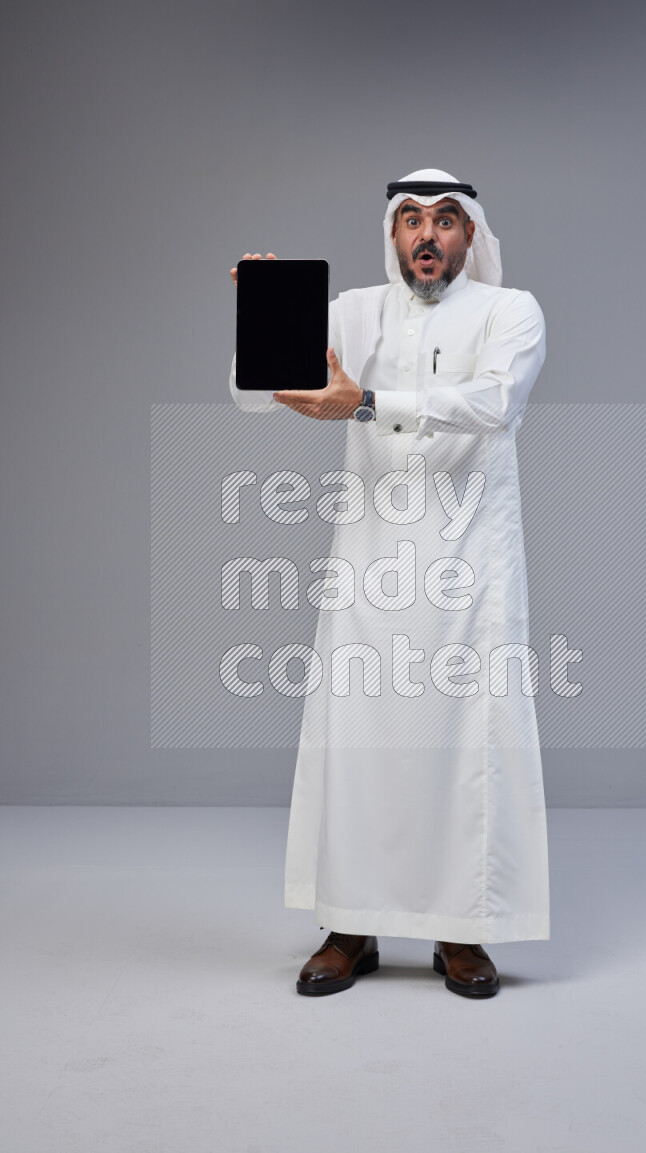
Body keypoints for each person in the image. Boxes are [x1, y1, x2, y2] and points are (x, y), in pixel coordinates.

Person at [228, 168, 549, 998]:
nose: (427, 235)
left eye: (446, 219)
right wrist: (263, 314)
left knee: (464, 745)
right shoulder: (356, 312)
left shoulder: (510, 311)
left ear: (470, 234)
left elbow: (493, 402)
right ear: (393, 235)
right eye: (411, 220)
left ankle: (462, 934)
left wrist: (366, 400)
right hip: (369, 563)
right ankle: (350, 926)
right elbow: (256, 394)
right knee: (358, 741)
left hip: (469, 568)